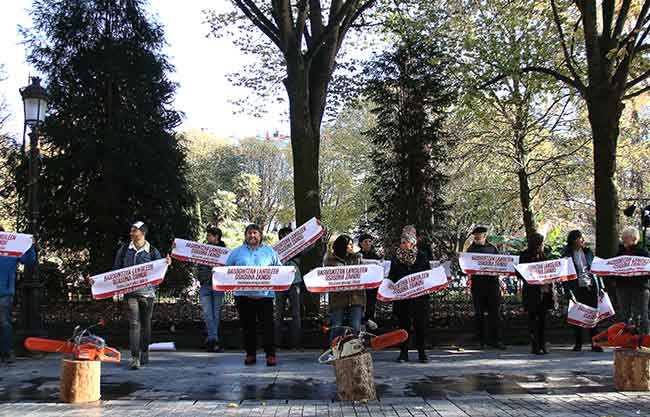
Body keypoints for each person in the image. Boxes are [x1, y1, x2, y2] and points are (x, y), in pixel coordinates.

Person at [112, 221, 170, 370]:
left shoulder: (152, 251)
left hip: (147, 294)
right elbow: (115, 271)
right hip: (130, 294)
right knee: (134, 324)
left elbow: (160, 269)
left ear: (142, 233)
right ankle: (135, 358)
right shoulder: (124, 249)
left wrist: (166, 263)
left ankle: (145, 351)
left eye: (134, 230)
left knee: (146, 325)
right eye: (131, 230)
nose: (131, 233)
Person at [226, 224, 282, 366]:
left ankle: (270, 355)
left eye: (255, 233)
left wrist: (289, 273)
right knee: (247, 327)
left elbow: (279, 270)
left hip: (265, 297)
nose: (252, 236)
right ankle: (250, 354)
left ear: (260, 235)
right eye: (249, 233)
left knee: (268, 328)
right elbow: (227, 269)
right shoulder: (237, 252)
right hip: (243, 297)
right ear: (245, 236)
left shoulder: (270, 252)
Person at [389, 225, 431, 363]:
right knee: (403, 326)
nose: (402, 244)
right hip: (403, 299)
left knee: (420, 325)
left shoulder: (422, 256)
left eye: (405, 242)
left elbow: (427, 275)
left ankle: (421, 352)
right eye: (401, 242)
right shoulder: (396, 258)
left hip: (419, 298)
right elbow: (392, 276)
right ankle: (403, 353)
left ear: (412, 243)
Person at [562, 230, 604, 352]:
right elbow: (564, 275)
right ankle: (578, 343)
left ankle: (594, 343)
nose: (583, 240)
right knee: (577, 314)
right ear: (574, 240)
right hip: (576, 287)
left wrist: (601, 286)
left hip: (590, 285)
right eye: (580, 238)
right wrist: (569, 293)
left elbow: (596, 269)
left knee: (593, 314)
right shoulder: (567, 254)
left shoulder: (588, 252)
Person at [0, 226, 37, 363]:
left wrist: (29, 244)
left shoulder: (11, 248)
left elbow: (28, 261)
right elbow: (29, 261)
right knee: (4, 323)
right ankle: (6, 353)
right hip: (6, 291)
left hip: (5, 291)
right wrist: (30, 246)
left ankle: (6, 352)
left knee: (4, 323)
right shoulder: (11, 247)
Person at [466, 226, 505, 349]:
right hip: (478, 286)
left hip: (492, 284)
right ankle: (480, 340)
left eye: (479, 236)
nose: (477, 238)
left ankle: (496, 340)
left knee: (495, 313)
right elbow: (466, 266)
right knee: (479, 314)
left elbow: (500, 264)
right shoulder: (470, 249)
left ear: (485, 236)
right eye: (475, 236)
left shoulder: (492, 248)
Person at [517, 233, 554, 355]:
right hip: (531, 293)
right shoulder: (524, 256)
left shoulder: (544, 255)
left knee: (543, 319)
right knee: (533, 319)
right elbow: (519, 273)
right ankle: (535, 345)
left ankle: (543, 344)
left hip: (544, 292)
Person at [325, 235, 365, 343]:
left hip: (356, 298)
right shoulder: (330, 261)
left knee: (355, 327)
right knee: (337, 327)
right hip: (338, 298)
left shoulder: (357, 258)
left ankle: (354, 351)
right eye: (350, 244)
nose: (352, 247)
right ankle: (335, 352)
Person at [614, 227, 650, 334]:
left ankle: (645, 339)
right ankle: (626, 339)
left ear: (634, 238)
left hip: (640, 288)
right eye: (622, 237)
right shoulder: (620, 253)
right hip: (622, 288)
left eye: (626, 237)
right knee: (624, 315)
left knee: (641, 314)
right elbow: (613, 270)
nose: (623, 239)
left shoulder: (643, 253)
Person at [196, 225, 226, 353]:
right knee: (208, 314)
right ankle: (214, 339)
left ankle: (211, 340)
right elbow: (198, 264)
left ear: (216, 237)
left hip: (218, 285)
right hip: (205, 285)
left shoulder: (225, 252)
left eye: (209, 235)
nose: (207, 238)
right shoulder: (203, 249)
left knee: (215, 313)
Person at [274, 227, 303, 350]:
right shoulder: (275, 250)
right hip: (279, 282)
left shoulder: (297, 248)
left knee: (296, 313)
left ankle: (295, 343)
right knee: (278, 314)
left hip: (294, 281)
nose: (286, 238)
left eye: (288, 235)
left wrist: (317, 229)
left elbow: (309, 245)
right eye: (283, 236)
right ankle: (277, 343)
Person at [357, 233, 381, 327]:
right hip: (360, 286)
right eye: (365, 241)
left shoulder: (375, 256)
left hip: (372, 287)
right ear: (361, 243)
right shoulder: (357, 256)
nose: (368, 243)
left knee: (371, 305)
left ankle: (369, 323)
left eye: (370, 241)